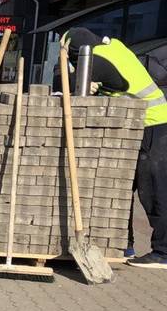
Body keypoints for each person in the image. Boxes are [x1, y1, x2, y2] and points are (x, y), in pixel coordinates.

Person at [62, 27, 167, 269]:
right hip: (138, 126)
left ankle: (163, 252)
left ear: (76, 50)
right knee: (122, 188)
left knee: (153, 190)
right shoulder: (114, 48)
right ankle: (124, 245)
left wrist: (75, 74)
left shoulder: (96, 59)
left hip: (154, 125)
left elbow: (69, 88)